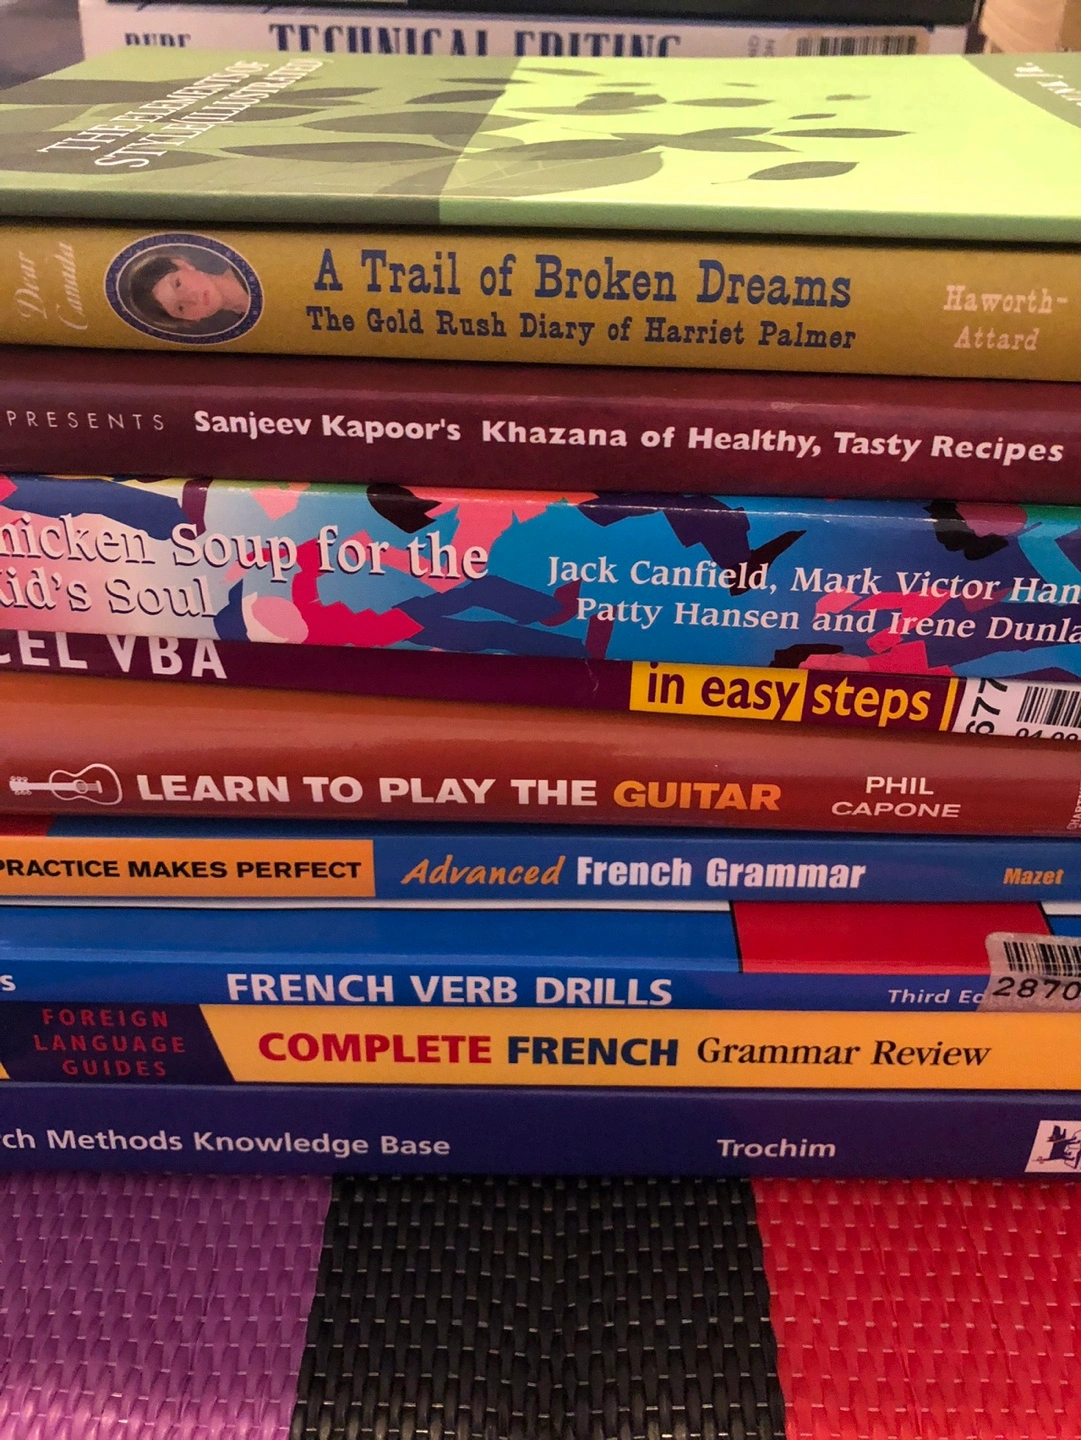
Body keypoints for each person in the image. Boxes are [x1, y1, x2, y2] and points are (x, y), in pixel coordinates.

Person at [126, 252, 251, 329]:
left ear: (183, 265)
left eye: (178, 284)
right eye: (180, 308)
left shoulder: (249, 259)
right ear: (190, 320)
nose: (191, 299)